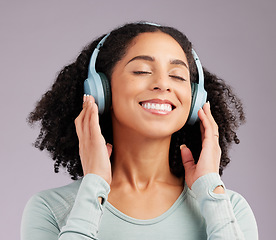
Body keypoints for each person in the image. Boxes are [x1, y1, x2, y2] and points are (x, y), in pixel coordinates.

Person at [21, 22, 258, 239]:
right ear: (101, 90)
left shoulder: (230, 210)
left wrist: (210, 189)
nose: (163, 84)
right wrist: (94, 186)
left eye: (177, 76)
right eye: (142, 71)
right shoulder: (50, 208)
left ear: (195, 99)